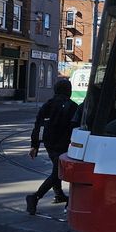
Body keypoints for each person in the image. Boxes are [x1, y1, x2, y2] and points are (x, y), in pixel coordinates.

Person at [26, 79, 79, 215]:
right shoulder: (73, 106)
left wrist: (34, 145)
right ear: (69, 90)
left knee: (57, 168)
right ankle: (35, 197)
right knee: (58, 172)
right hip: (64, 144)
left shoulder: (47, 105)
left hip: (49, 144)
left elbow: (38, 124)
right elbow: (76, 127)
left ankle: (59, 194)